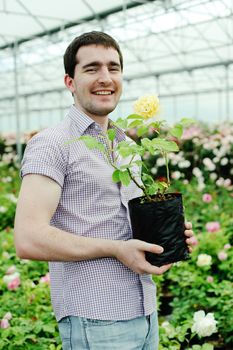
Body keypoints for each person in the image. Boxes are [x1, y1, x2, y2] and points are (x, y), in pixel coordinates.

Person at [14, 31, 195, 350]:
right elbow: (28, 238)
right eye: (92, 68)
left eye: (113, 67)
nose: (105, 78)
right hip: (95, 320)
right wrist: (115, 249)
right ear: (70, 81)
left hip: (146, 313)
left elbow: (126, 224)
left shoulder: (126, 146)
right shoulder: (52, 144)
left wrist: (169, 237)